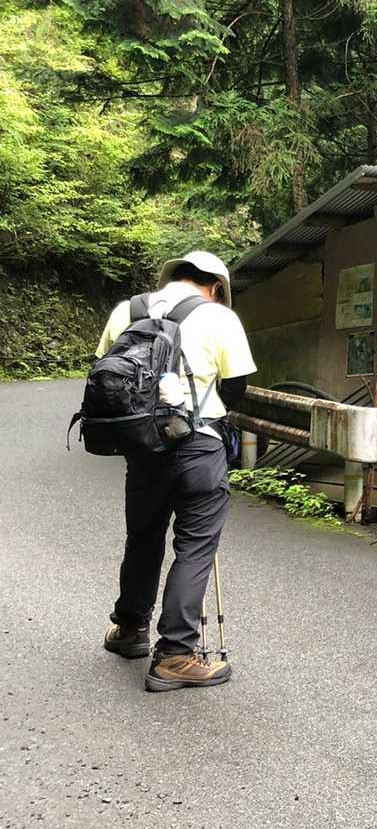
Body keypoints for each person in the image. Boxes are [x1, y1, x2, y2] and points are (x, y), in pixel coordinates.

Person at [97, 250, 256, 692]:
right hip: (198, 445)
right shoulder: (220, 317)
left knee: (143, 539)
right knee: (195, 547)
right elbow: (236, 387)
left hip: (143, 447)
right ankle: (175, 656)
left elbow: (107, 376)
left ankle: (130, 630)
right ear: (216, 287)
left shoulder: (126, 311)